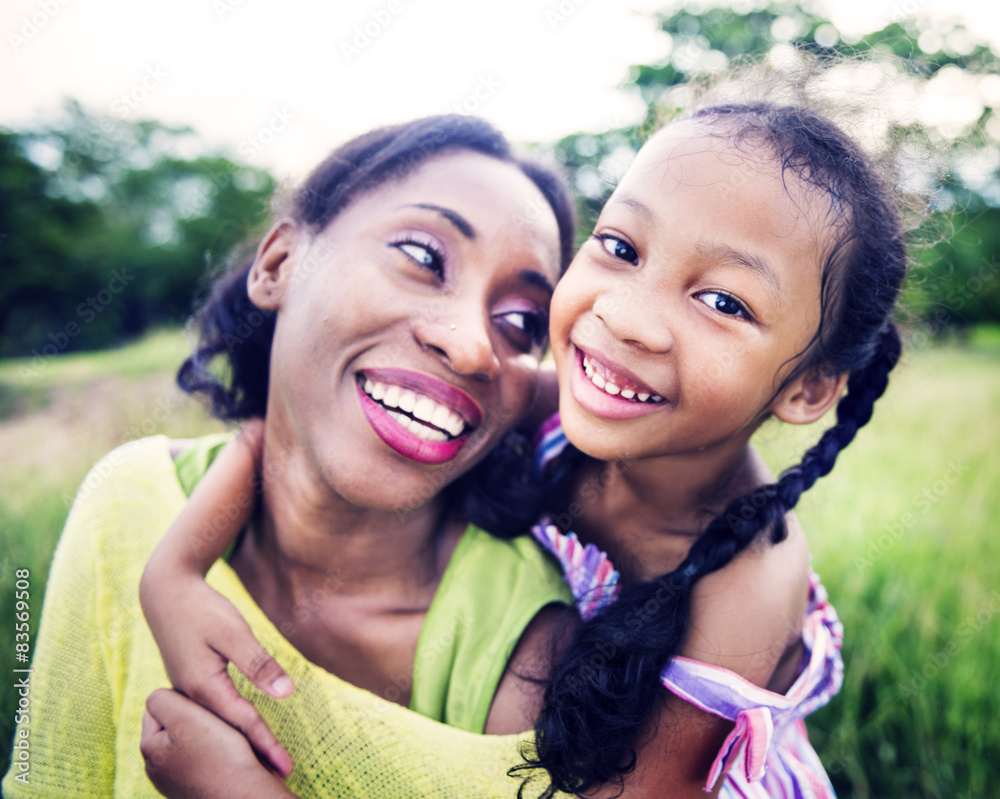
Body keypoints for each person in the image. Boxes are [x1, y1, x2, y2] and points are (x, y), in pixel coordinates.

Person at [134, 74, 911, 799]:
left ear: (808, 386)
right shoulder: (555, 406)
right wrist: (173, 570)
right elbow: (276, 433)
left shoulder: (748, 578)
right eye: (621, 248)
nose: (625, 315)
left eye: (722, 301)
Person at [0, 115, 579, 798]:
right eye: (424, 257)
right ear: (278, 264)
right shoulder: (129, 504)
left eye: (521, 323)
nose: (474, 346)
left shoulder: (522, 638)